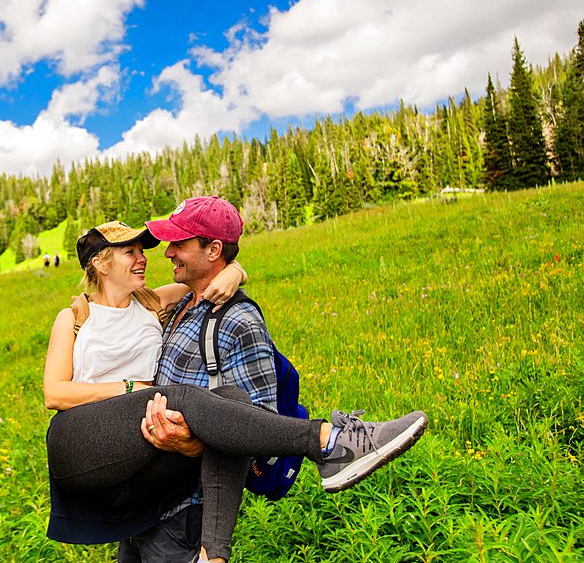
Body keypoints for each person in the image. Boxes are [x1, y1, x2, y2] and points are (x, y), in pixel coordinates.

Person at [44, 201, 428, 563]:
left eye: (151, 248)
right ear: (101, 263)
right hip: (80, 440)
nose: (152, 256)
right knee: (185, 397)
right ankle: (328, 441)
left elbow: (215, 281)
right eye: (131, 252)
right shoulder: (78, 315)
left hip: (141, 463)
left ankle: (213, 554)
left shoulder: (154, 304)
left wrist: (235, 269)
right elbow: (54, 393)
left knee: (229, 401)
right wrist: (136, 390)